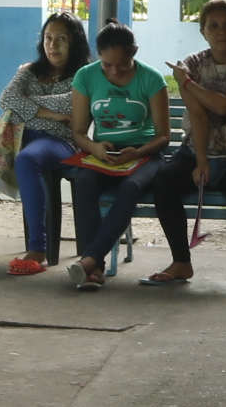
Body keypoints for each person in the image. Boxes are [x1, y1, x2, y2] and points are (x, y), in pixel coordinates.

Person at [141, 0, 226, 297]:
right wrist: (201, 160)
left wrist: (186, 83)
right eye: (213, 25)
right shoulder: (193, 63)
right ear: (203, 31)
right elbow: (199, 114)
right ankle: (180, 262)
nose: (221, 31)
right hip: (199, 150)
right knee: (164, 180)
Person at [0, 13, 88, 276]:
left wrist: (31, 103)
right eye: (48, 38)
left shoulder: (85, 74)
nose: (53, 45)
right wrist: (51, 113)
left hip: (59, 140)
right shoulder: (29, 71)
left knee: (27, 159)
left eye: (61, 39)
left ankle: (38, 249)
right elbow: (7, 98)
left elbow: (71, 103)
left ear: (74, 42)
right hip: (16, 135)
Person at [61, 24, 170, 292]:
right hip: (103, 154)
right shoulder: (85, 77)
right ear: (98, 55)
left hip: (144, 154)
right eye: (107, 65)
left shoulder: (152, 79)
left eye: (122, 65)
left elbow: (163, 136)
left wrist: (137, 152)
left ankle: (89, 261)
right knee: (84, 179)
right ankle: (94, 267)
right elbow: (78, 132)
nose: (114, 71)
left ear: (134, 52)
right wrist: (96, 149)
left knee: (131, 187)